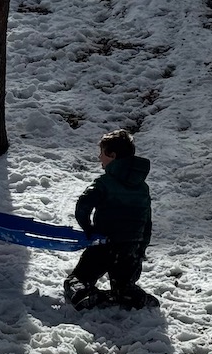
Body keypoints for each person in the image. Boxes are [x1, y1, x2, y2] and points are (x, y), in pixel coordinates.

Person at [64, 129, 156, 310]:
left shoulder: (104, 182)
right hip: (131, 248)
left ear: (112, 156)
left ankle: (85, 295)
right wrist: (140, 248)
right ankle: (132, 296)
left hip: (105, 243)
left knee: (77, 279)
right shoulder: (142, 187)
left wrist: (87, 227)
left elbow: (83, 204)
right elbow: (147, 222)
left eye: (101, 154)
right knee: (123, 284)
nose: (99, 158)